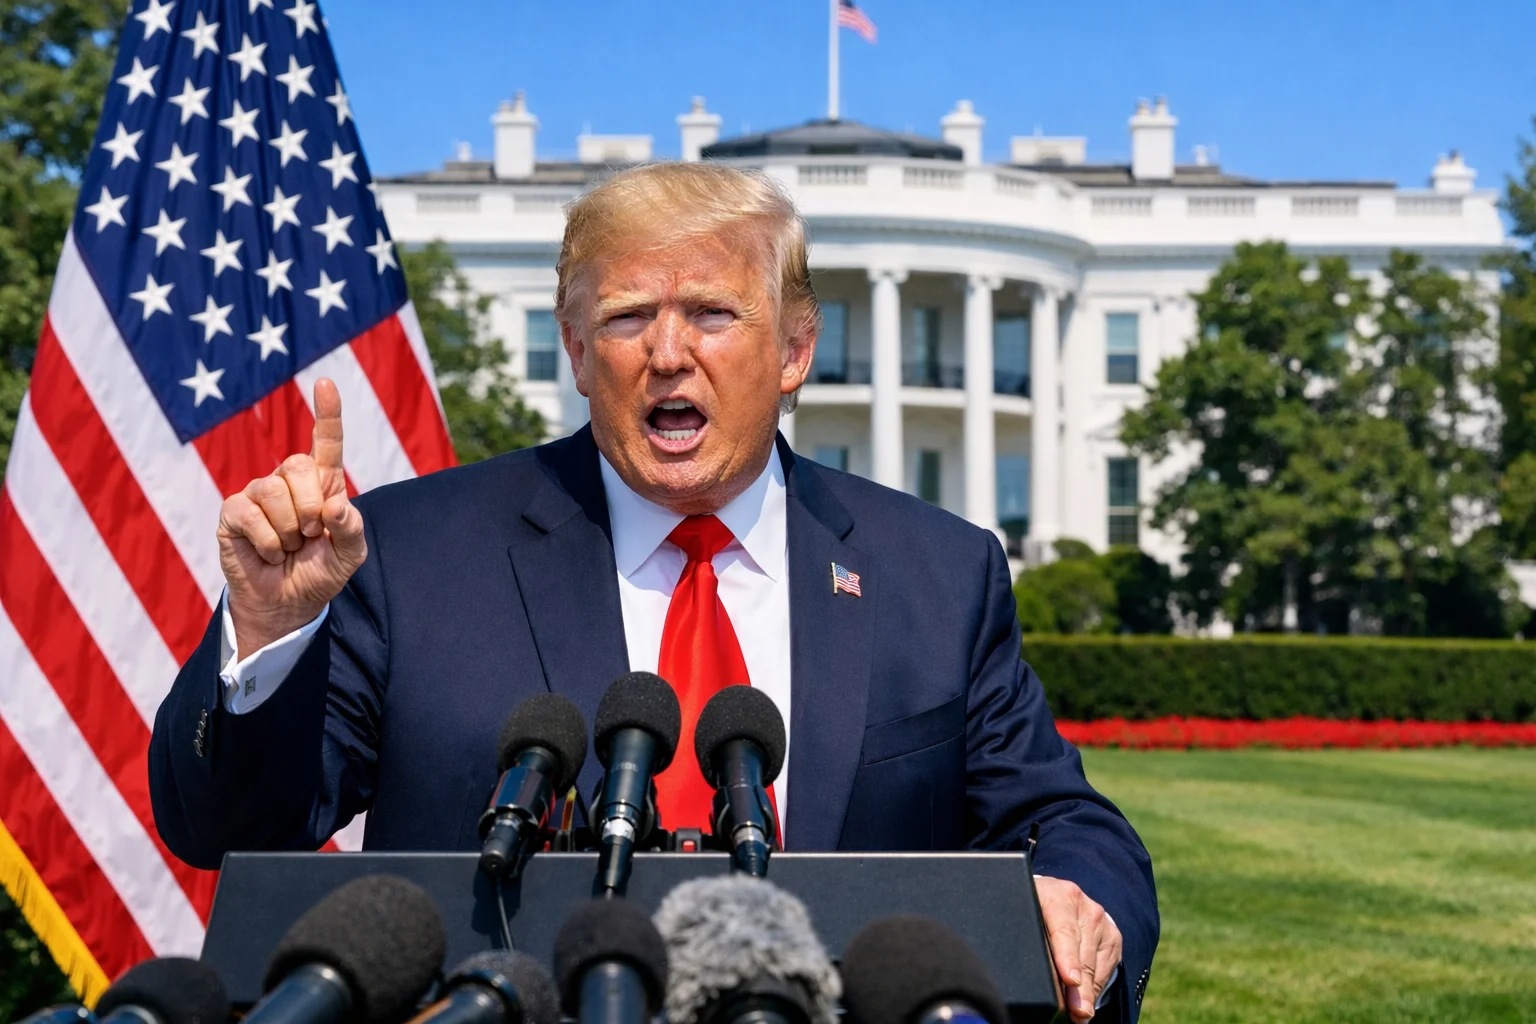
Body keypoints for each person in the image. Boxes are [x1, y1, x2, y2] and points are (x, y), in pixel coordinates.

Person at [149, 163, 1156, 1021]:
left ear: (795, 349)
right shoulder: (411, 551)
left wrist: (1083, 897)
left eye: (713, 313)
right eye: (629, 316)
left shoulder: (935, 571)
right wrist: (272, 633)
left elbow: (1068, 822)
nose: (669, 352)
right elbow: (230, 828)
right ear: (580, 353)